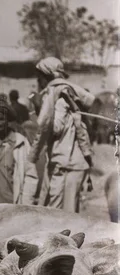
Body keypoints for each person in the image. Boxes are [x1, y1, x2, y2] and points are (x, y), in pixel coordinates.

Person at [24, 57, 94, 213]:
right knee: (65, 211)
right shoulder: (67, 92)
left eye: (39, 76)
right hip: (71, 162)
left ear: (46, 76)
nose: (38, 80)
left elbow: (55, 128)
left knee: (58, 213)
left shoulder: (58, 96)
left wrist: (38, 107)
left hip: (66, 163)